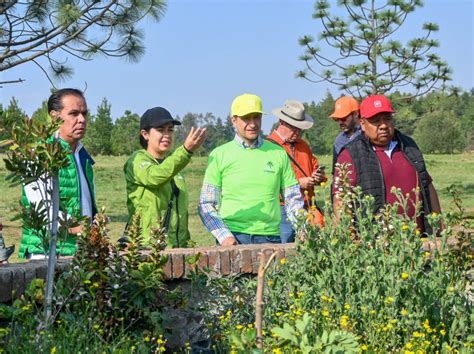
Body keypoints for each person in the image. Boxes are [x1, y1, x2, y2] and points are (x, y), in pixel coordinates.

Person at [198, 93, 304, 246]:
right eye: (246, 118)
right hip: (233, 236)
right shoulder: (219, 155)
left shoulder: (278, 153)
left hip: (270, 237)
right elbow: (206, 203)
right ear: (233, 120)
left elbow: (293, 199)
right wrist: (224, 237)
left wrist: (304, 230)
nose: (253, 124)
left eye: (257, 117)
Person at [333, 95, 441, 233]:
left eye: (387, 119)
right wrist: (349, 240)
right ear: (363, 124)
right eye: (376, 121)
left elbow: (427, 184)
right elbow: (341, 199)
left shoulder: (408, 146)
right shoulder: (350, 154)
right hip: (376, 245)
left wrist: (438, 226)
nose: (383, 125)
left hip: (418, 242)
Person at [19, 88, 97, 259]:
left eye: (84, 113)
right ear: (54, 116)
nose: (82, 120)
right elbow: (42, 211)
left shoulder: (83, 157)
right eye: (74, 113)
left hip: (80, 251)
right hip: (47, 252)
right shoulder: (39, 155)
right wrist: (78, 228)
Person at [124, 107, 206, 247]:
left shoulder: (174, 170)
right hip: (148, 250)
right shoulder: (137, 161)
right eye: (161, 130)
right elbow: (156, 176)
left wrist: (187, 248)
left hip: (176, 251)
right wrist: (186, 151)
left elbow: (181, 215)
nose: (167, 135)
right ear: (145, 134)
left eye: (170, 130)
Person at [267, 99, 327, 242]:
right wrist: (299, 183)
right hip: (282, 210)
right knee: (285, 254)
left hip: (308, 208)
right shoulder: (268, 147)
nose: (298, 132)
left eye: (300, 128)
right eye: (294, 127)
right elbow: (267, 182)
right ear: (282, 122)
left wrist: (318, 177)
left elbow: (315, 168)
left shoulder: (303, 145)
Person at [329, 96, 361, 172]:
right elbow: (336, 171)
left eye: (343, 118)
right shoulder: (339, 140)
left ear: (356, 114)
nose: (340, 122)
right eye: (337, 119)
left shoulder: (368, 135)